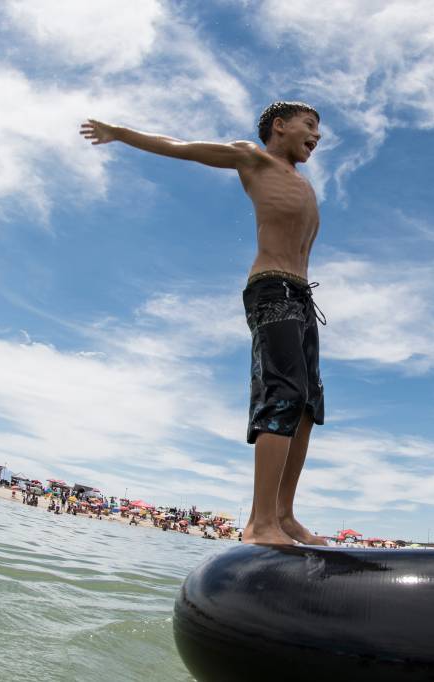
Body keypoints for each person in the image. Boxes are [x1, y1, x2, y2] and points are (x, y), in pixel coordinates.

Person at [81, 101, 327, 545]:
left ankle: (284, 515)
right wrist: (119, 132)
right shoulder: (253, 158)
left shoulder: (301, 181)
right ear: (279, 126)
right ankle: (260, 523)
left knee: (307, 404)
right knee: (283, 394)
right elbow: (180, 147)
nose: (317, 135)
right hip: (272, 288)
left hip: (302, 296)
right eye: (308, 125)